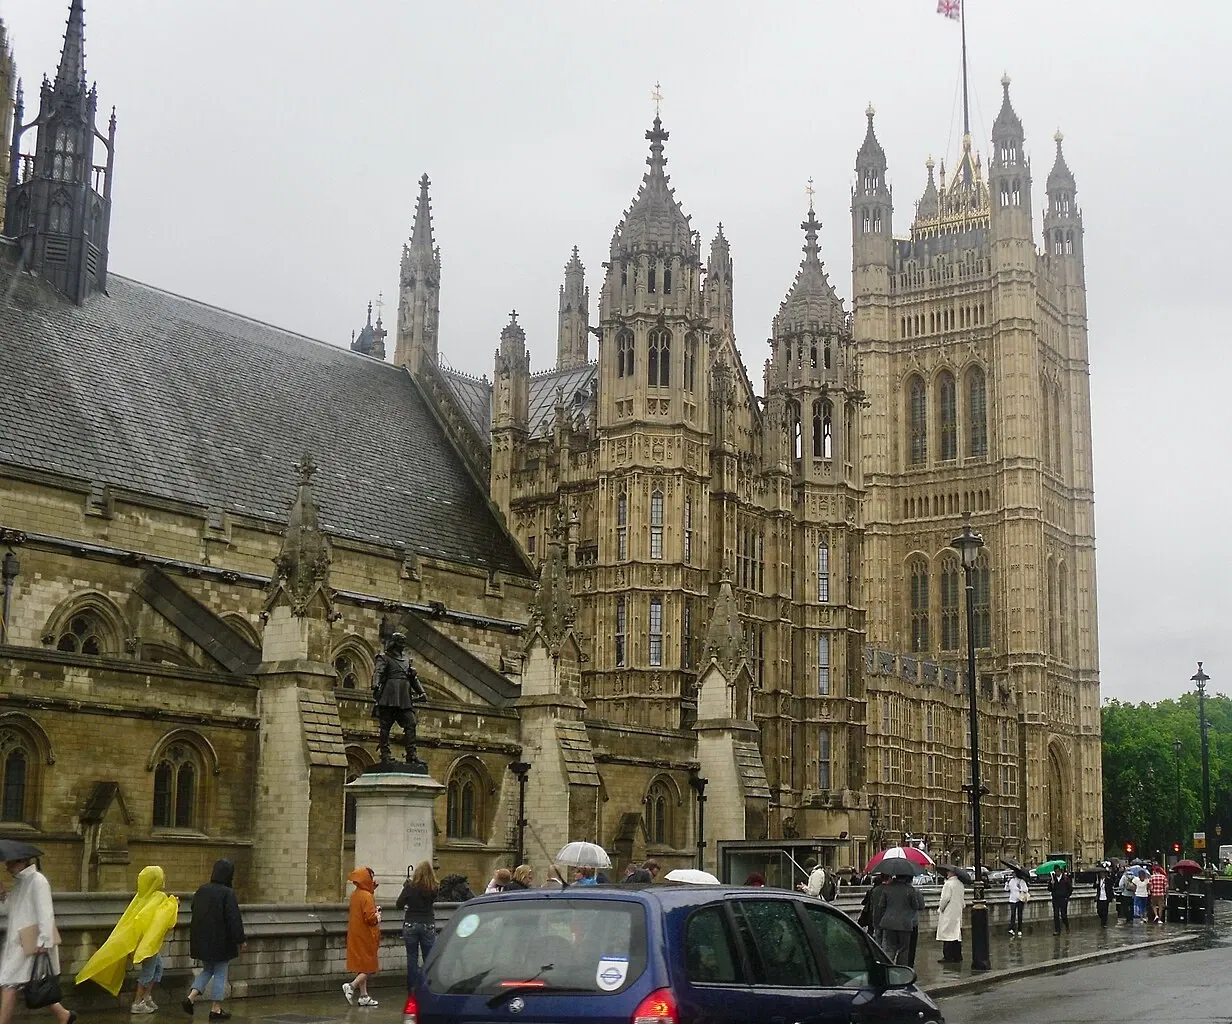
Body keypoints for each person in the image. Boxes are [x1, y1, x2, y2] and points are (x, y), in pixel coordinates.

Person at [75, 864, 178, 1013]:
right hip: (148, 944)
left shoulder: (140, 897)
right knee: (149, 972)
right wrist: (175, 904)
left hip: (142, 941)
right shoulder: (159, 897)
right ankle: (138, 1002)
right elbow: (166, 918)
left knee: (157, 968)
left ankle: (146, 997)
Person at [0, 856, 75, 1024]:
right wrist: (3, 896)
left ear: (21, 862)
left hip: (32, 940)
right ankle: (64, 1015)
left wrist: (43, 941)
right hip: (22, 940)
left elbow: (46, 911)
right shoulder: (20, 882)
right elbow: (11, 910)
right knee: (29, 981)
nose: (7, 867)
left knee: (8, 982)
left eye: (10, 863)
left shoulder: (38, 881)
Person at [183, 859, 245, 1022]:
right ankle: (215, 1008)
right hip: (221, 942)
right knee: (220, 973)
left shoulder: (201, 890)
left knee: (208, 970)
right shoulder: (227, 893)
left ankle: (191, 997)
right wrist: (240, 939)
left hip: (202, 940)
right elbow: (234, 919)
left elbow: (194, 909)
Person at [370, 632, 429, 766]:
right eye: (400, 642)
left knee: (411, 723)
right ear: (394, 643)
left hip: (404, 696)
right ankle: (385, 754)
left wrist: (422, 692)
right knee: (385, 727)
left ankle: (411, 754)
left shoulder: (407, 660)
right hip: (389, 695)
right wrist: (376, 684)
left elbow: (413, 678)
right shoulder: (384, 658)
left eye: (404, 642)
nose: (403, 645)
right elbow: (378, 672)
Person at [396, 860, 437, 994]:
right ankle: (428, 986)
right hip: (428, 923)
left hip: (411, 923)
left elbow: (399, 904)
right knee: (428, 957)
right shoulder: (434, 887)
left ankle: (412, 988)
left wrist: (406, 890)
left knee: (412, 957)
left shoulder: (410, 887)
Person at [343, 867, 381, 1007]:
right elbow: (370, 918)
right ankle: (351, 986)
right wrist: (377, 917)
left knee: (362, 965)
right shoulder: (367, 896)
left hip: (355, 933)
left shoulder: (355, 894)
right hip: (366, 934)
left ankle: (364, 996)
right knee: (370, 966)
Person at [877, 875, 925, 966]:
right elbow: (915, 906)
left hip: (888, 923)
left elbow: (881, 905)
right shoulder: (910, 890)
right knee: (903, 950)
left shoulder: (887, 888)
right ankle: (901, 971)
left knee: (889, 948)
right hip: (905, 924)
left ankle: (887, 968)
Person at [935, 867, 964, 963]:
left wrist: (941, 908)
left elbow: (945, 898)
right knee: (956, 934)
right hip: (957, 911)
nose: (947, 873)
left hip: (948, 912)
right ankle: (957, 955)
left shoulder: (948, 884)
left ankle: (948, 956)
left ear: (952, 873)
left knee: (947, 934)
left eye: (948, 871)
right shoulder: (960, 884)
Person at [1049, 868, 1073, 934]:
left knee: (1063, 915)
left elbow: (1070, 888)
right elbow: (1049, 889)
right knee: (1056, 914)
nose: (1057, 873)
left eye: (1058, 871)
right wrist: (1051, 884)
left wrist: (1067, 897)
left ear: (1061, 871)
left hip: (1063, 899)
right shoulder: (1052, 879)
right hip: (1055, 899)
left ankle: (1067, 926)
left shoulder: (1065, 878)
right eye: (1056, 871)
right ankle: (1057, 930)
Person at [1005, 871, 1029, 937]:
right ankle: (1012, 928)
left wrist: (1020, 888)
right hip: (1012, 899)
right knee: (1013, 914)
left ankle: (1019, 929)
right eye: (1012, 873)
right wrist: (1007, 883)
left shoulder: (1021, 881)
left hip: (1019, 899)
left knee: (1019, 914)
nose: (1013, 874)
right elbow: (1006, 889)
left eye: (1014, 873)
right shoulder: (1011, 881)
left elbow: (1026, 890)